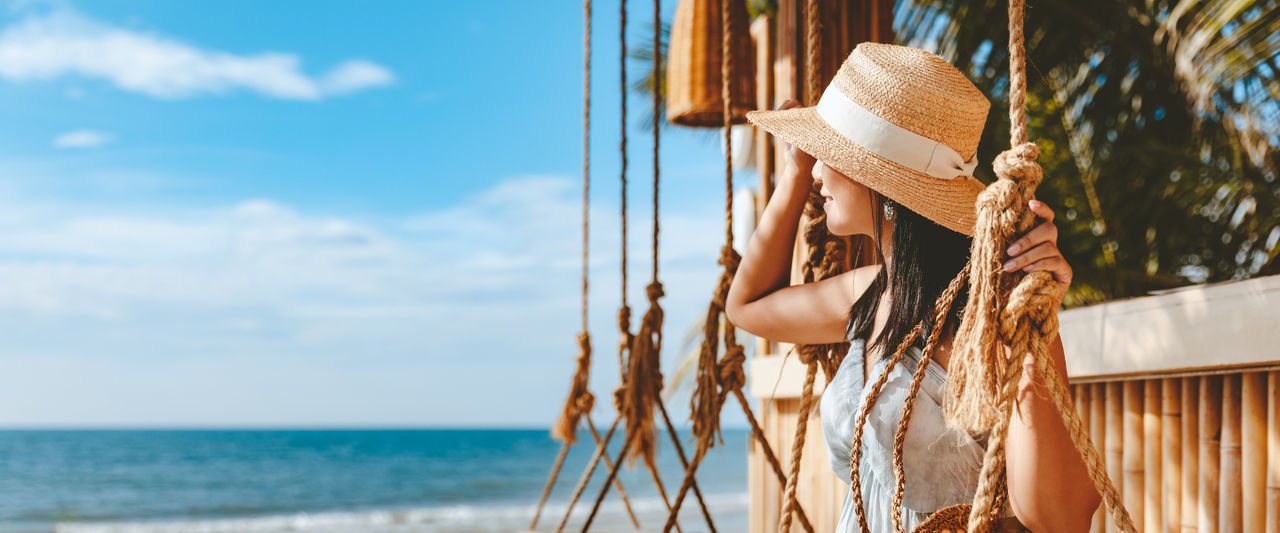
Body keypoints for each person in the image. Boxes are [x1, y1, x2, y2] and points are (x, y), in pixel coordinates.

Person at [725, 43, 1101, 532]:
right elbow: (747, 306)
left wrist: (1033, 310)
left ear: (882, 184)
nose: (819, 171)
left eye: (829, 154)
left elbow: (1061, 519)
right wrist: (796, 168)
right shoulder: (874, 294)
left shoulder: (987, 315)